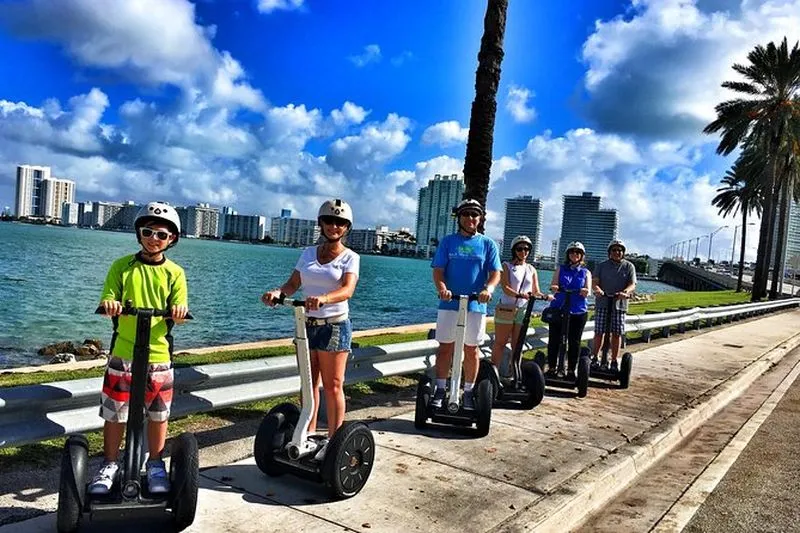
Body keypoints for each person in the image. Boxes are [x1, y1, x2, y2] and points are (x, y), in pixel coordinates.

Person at [89, 202, 189, 495]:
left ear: (171, 239)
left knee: (158, 413)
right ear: (139, 233)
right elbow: (108, 296)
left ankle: (155, 463)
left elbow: (180, 305)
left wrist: (179, 311)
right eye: (147, 232)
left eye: (161, 234)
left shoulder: (175, 273)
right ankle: (109, 463)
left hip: (158, 353)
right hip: (124, 351)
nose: (153, 239)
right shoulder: (122, 266)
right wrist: (111, 305)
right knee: (115, 412)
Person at [262, 199, 359, 461]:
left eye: (340, 222)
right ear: (321, 224)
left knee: (333, 385)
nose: (334, 226)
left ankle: (336, 441)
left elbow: (348, 290)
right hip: (306, 325)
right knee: (308, 385)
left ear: (346, 227)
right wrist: (277, 293)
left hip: (334, 325)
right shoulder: (307, 253)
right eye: (329, 221)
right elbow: (293, 284)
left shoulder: (351, 258)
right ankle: (309, 433)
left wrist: (325, 299)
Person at [431, 198, 502, 409]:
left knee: (472, 350)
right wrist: (442, 289)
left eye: (475, 215)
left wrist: (487, 290)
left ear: (480, 219)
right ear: (459, 218)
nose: (471, 218)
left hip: (476, 305)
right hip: (449, 303)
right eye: (466, 214)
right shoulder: (448, 242)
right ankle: (441, 389)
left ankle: (469, 391)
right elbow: (438, 270)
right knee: (445, 348)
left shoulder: (487, 244)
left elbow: (495, 273)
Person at [491, 235, 549, 376]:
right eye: (520, 249)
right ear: (514, 250)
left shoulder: (531, 269)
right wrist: (519, 294)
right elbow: (505, 288)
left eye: (526, 249)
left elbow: (536, 290)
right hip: (506, 308)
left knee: (517, 344)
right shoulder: (506, 266)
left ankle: (514, 373)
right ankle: (494, 373)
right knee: (500, 342)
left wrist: (545, 297)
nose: (523, 252)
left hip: (523, 310)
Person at [545, 241, 592, 380]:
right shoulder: (561, 269)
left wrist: (585, 291)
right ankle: (552, 368)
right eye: (572, 252)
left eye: (578, 252)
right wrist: (554, 287)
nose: (575, 254)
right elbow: (553, 284)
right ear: (568, 254)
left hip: (578, 311)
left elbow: (588, 289)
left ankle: (571, 370)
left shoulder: (585, 272)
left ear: (582, 255)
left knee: (574, 342)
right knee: (554, 340)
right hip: (559, 309)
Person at [592, 239, 637, 371]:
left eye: (620, 250)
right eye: (614, 250)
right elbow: (595, 282)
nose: (617, 252)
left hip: (619, 304)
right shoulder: (601, 266)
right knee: (599, 332)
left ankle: (613, 361)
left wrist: (625, 292)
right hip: (603, 303)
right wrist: (598, 290)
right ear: (609, 252)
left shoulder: (629, 266)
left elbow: (632, 284)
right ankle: (595, 357)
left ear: (623, 252)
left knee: (617, 333)